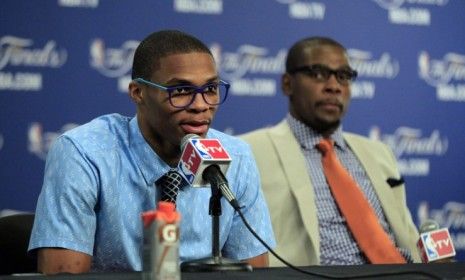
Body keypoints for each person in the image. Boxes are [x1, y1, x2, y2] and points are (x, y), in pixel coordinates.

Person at [28, 30, 275, 274]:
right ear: (138, 93)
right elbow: (64, 276)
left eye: (210, 89)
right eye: (180, 91)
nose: (201, 106)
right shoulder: (84, 154)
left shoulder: (236, 157)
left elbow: (254, 272)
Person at [240, 36, 421, 266]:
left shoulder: (379, 152)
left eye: (343, 76)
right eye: (318, 73)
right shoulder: (248, 152)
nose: (334, 86)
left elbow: (408, 233)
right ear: (287, 83)